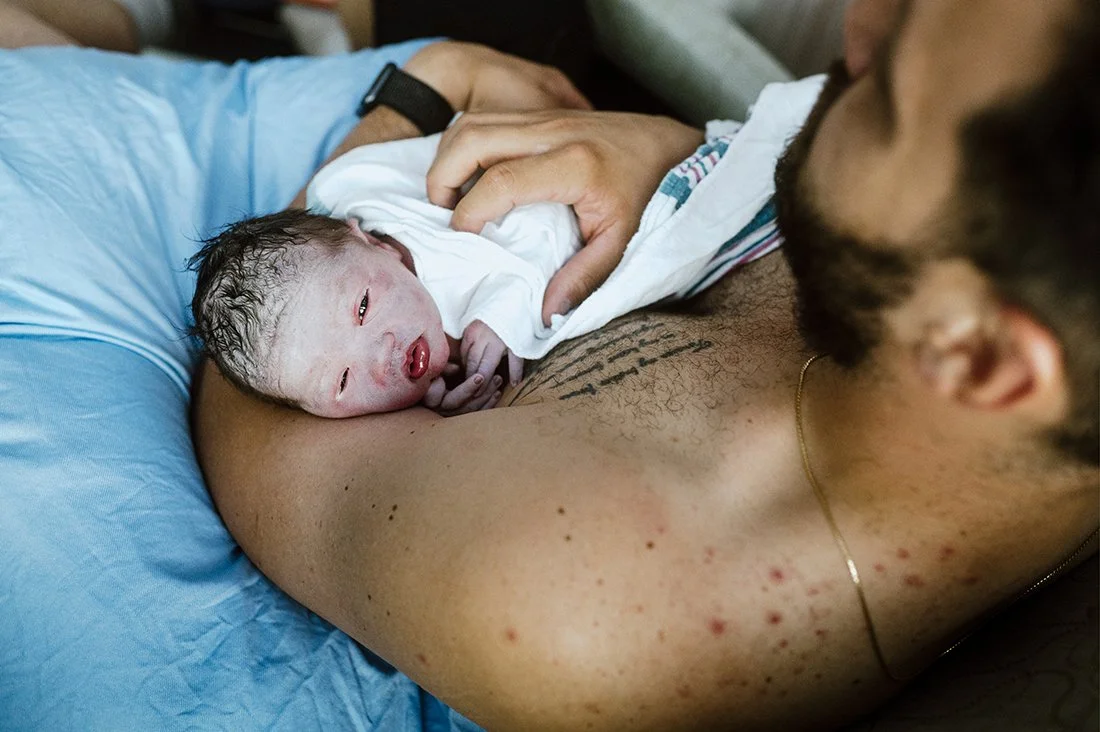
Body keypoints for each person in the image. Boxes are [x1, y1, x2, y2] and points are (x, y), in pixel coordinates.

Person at [193, 1, 1098, 730]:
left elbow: (266, 421)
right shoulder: (985, 254)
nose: (858, 24)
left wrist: (409, 106)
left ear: (984, 357)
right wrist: (668, 148)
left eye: (891, 92)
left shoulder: (595, 594)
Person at [190, 88, 809, 419]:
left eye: (361, 308)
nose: (378, 358)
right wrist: (452, 382)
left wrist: (501, 320)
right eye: (343, 382)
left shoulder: (390, 209)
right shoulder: (399, 341)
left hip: (611, 193)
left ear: (371, 240)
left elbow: (539, 222)